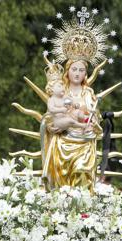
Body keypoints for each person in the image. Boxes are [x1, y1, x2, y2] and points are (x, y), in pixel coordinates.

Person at [41, 59, 102, 191]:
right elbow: (49, 117)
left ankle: (83, 206)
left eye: (81, 70)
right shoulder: (60, 91)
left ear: (85, 73)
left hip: (84, 141)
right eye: (74, 69)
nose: (77, 74)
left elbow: (95, 116)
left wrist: (94, 121)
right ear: (67, 71)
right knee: (61, 182)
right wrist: (51, 126)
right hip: (63, 141)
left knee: (81, 171)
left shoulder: (88, 93)